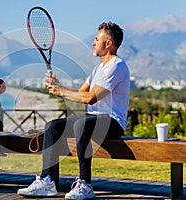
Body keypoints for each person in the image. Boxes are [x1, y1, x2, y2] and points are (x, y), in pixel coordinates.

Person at [17, 21, 130, 199]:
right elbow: (81, 92)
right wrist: (59, 88)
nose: (93, 43)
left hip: (113, 122)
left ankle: (85, 184)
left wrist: (61, 91)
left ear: (108, 43)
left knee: (80, 124)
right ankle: (48, 181)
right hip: (93, 119)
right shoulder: (98, 68)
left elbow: (91, 97)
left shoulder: (117, 65)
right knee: (52, 126)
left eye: (96, 39)